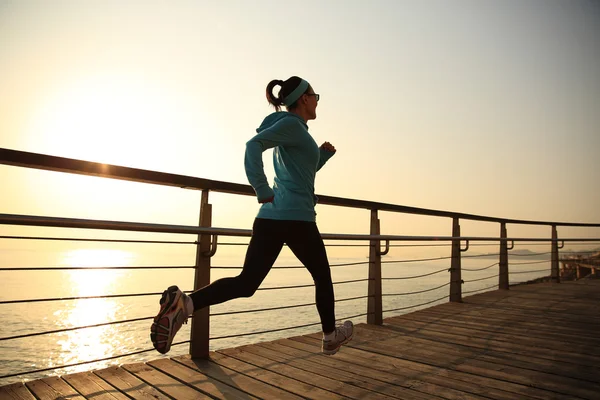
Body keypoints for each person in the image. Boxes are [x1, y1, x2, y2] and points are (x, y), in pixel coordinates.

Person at [150, 76, 354, 356]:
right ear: (304, 99)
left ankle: (184, 304)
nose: (317, 100)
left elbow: (301, 173)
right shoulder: (291, 125)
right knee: (322, 276)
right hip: (296, 219)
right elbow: (252, 145)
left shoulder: (296, 130)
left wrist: (321, 156)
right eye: (315, 95)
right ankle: (331, 337)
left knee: (247, 283)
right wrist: (260, 186)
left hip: (272, 217)